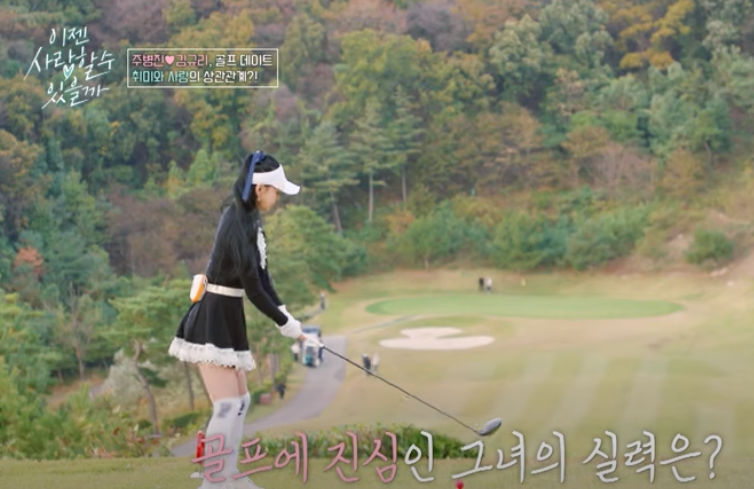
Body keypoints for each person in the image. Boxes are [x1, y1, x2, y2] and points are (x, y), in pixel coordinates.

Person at [168, 151, 318, 489]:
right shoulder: (235, 220)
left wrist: (288, 317)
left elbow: (263, 279)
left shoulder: (250, 221)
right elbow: (253, 288)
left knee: (241, 402)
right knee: (227, 406)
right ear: (260, 188)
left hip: (229, 314)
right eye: (276, 191)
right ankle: (214, 482)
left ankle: (229, 475)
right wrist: (286, 325)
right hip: (213, 316)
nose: (277, 198)